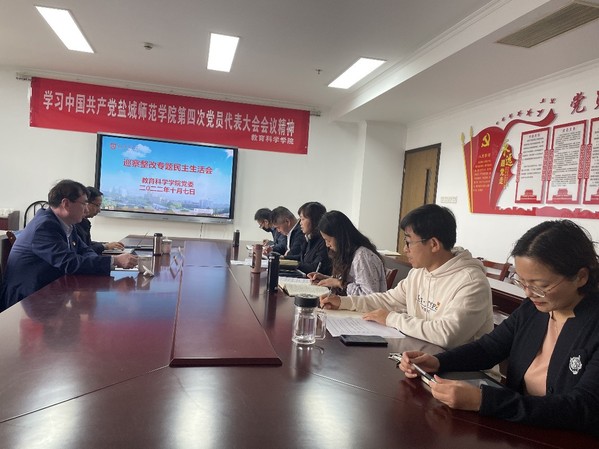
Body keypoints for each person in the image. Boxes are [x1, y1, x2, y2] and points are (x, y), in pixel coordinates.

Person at [398, 220, 599, 437]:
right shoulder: (533, 309)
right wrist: (438, 361)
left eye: (541, 286)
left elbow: (583, 407)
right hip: (521, 428)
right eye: (522, 283)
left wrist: (485, 401)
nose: (528, 293)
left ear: (581, 277)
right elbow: (489, 348)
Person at [320, 204, 493, 349]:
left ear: (433, 244)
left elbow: (447, 335)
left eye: (409, 242)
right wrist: (343, 302)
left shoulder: (471, 282)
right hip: (423, 357)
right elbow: (387, 300)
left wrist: (391, 318)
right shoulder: (419, 272)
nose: (404, 249)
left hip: (466, 373)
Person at [0, 180, 138, 311]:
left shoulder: (66, 224)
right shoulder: (45, 226)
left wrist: (103, 260)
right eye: (84, 203)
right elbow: (69, 263)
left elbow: (85, 250)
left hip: (50, 291)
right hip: (27, 299)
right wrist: (115, 261)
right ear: (66, 203)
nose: (86, 209)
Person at [309, 210, 386, 295]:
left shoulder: (362, 256)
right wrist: (326, 279)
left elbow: (369, 295)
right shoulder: (350, 253)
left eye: (328, 240)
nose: (327, 245)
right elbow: (351, 281)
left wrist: (338, 283)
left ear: (340, 237)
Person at [74, 186, 124, 255]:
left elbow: (87, 244)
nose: (99, 210)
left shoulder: (85, 222)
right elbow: (82, 251)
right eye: (97, 205)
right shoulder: (72, 223)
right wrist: (105, 246)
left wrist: (107, 245)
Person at [295, 202, 331, 275]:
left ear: (314, 220)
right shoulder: (309, 238)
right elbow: (302, 259)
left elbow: (316, 268)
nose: (300, 223)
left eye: (302, 219)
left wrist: (295, 264)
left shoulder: (324, 241)